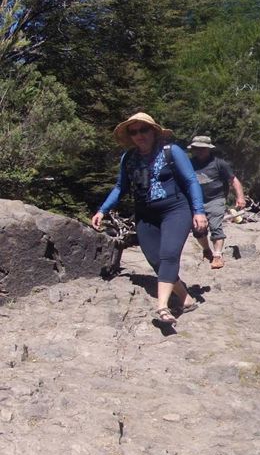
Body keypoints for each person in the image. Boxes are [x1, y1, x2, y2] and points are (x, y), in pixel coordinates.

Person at [91, 112, 207, 326]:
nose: (139, 135)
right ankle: (186, 299)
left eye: (143, 130)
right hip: (145, 214)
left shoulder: (172, 152)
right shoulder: (129, 157)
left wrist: (198, 211)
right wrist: (102, 210)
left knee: (169, 254)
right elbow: (120, 187)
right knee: (156, 260)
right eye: (133, 132)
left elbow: (191, 181)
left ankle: (162, 307)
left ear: (153, 131)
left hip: (175, 209)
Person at [187, 135, 245, 269]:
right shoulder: (189, 164)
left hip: (216, 199)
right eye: (196, 148)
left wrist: (240, 197)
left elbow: (233, 180)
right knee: (198, 229)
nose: (199, 151)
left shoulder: (219, 163)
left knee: (215, 226)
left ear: (208, 149)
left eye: (202, 148)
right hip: (196, 202)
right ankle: (206, 250)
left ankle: (218, 256)